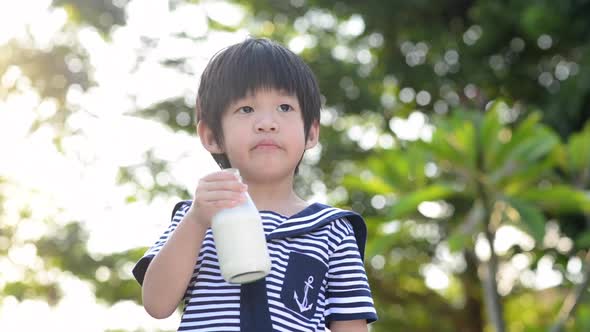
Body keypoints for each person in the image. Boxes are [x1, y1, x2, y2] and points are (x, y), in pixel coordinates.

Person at [132, 37, 377, 332]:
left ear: (311, 133)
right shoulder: (196, 217)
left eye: (285, 107)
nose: (267, 123)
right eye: (246, 109)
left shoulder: (332, 229)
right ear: (211, 136)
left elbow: (350, 325)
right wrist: (197, 220)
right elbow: (157, 305)